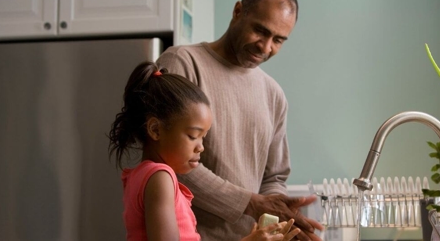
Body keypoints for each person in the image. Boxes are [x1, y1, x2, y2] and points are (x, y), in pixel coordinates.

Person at [156, 0, 324, 241]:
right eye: (261, 30)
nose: (266, 47)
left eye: (279, 40)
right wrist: (251, 203)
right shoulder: (182, 63)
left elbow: (274, 176)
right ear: (237, 12)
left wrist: (279, 215)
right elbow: (166, 159)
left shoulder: (274, 95)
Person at [108, 61, 301, 241]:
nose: (201, 146)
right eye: (193, 136)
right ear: (155, 130)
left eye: (203, 137)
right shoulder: (160, 177)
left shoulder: (141, 175)